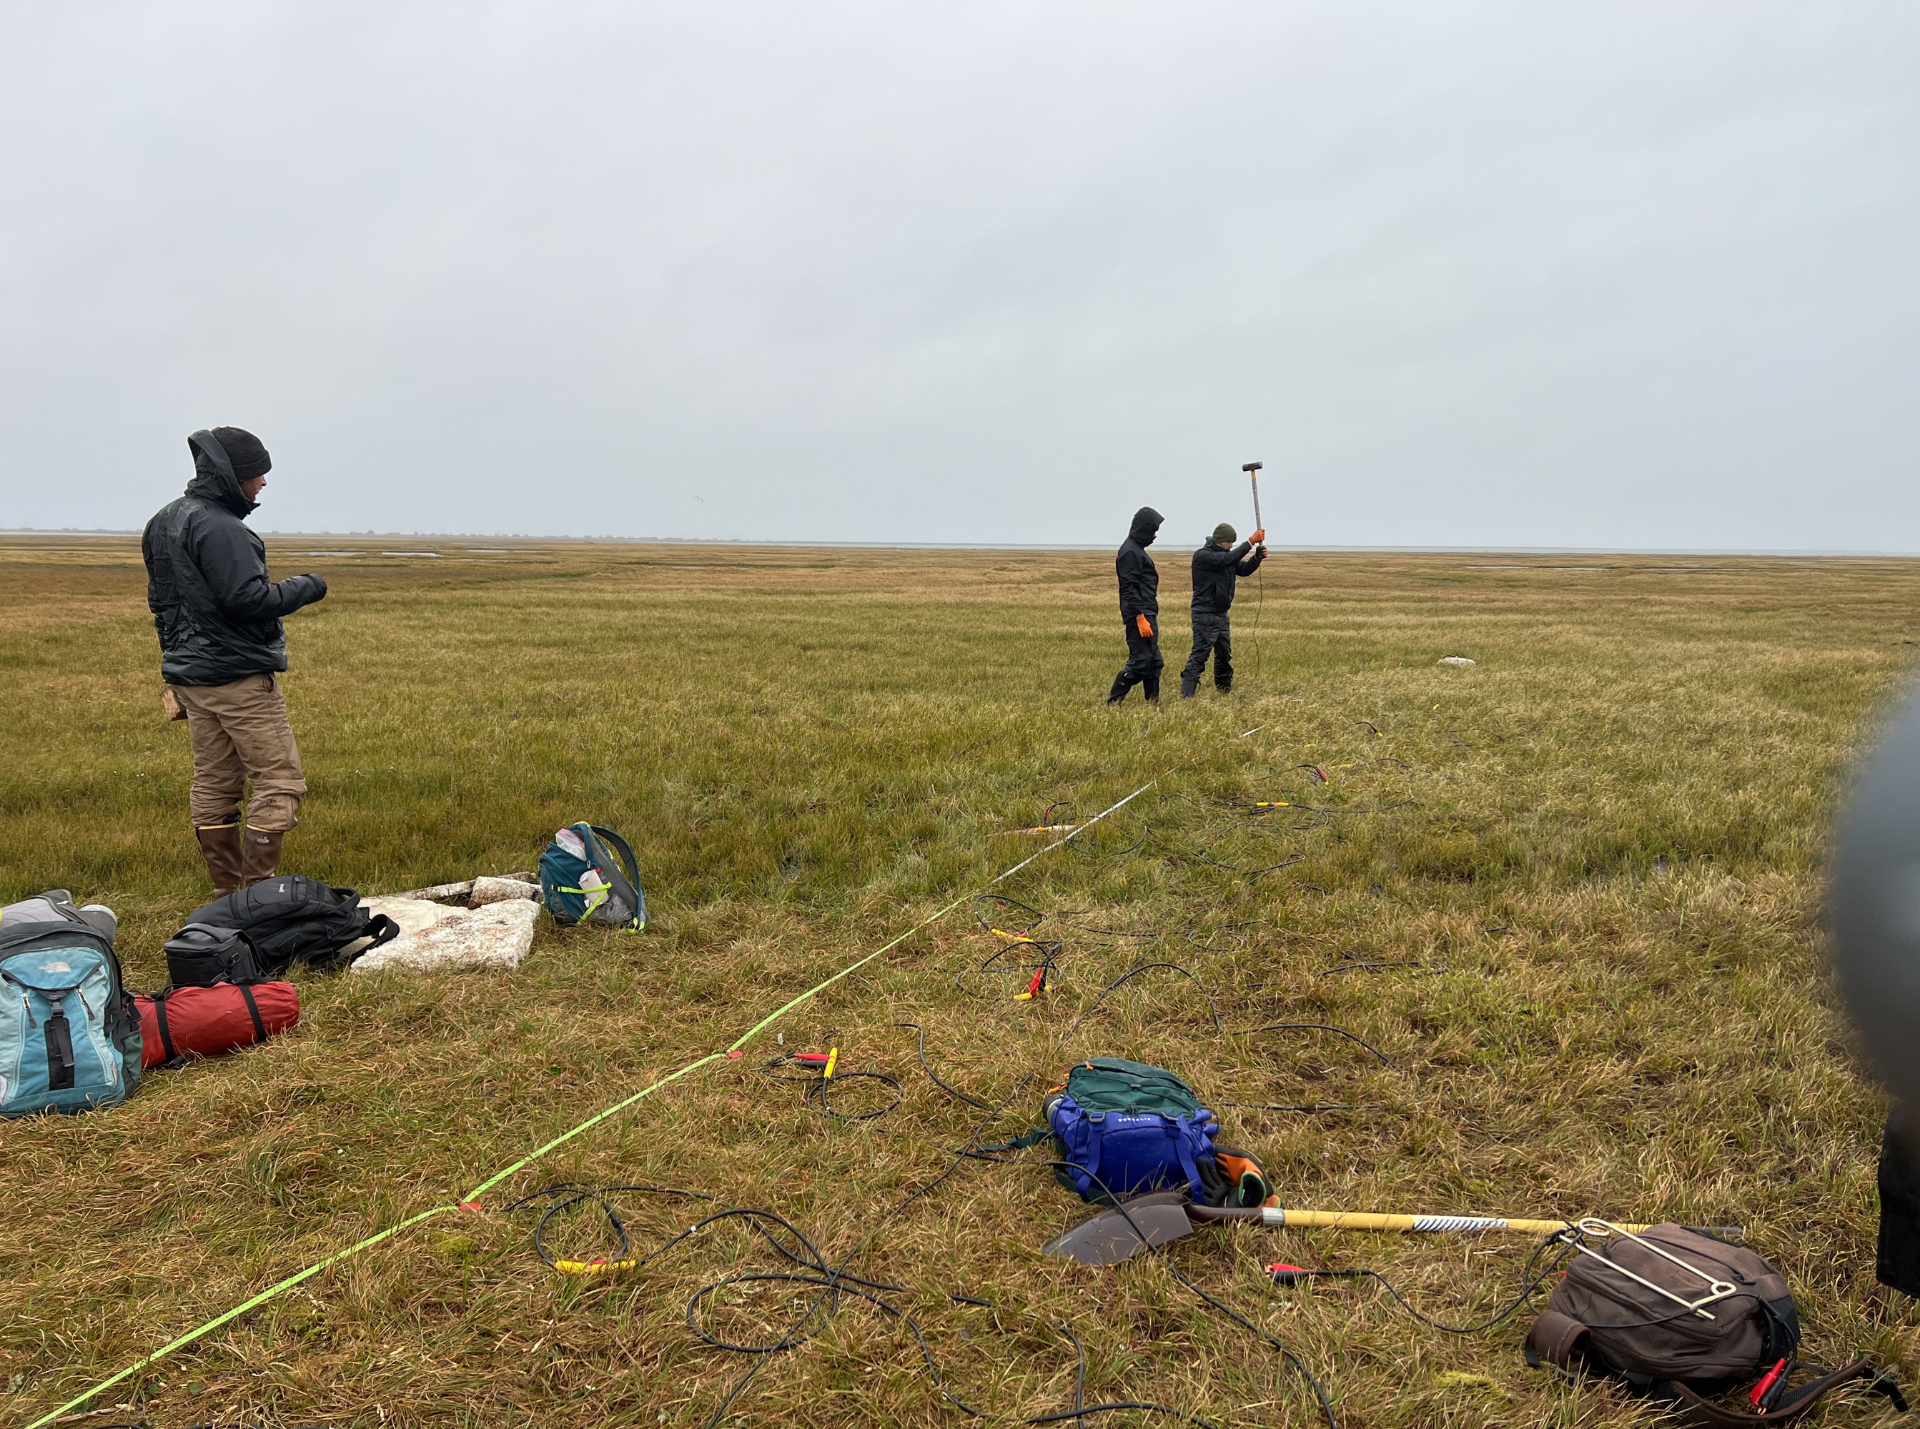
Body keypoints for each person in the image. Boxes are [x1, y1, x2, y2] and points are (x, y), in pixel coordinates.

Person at [143, 428, 328, 896]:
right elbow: (246, 600)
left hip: (192, 678)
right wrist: (309, 586)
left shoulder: (163, 521)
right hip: (239, 679)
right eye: (257, 473)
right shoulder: (222, 527)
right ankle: (255, 896)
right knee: (279, 779)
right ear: (235, 475)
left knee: (215, 781)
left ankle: (227, 896)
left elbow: (162, 605)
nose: (263, 482)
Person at [1179, 522, 1266, 698]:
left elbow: (1243, 569)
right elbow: (1226, 560)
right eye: (1229, 542)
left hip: (1221, 615)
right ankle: (1186, 695)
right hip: (1204, 614)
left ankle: (1224, 690)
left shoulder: (1227, 556)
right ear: (1220, 541)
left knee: (1224, 656)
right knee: (1200, 655)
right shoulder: (1203, 556)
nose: (1232, 546)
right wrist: (1250, 542)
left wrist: (1256, 559)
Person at [1106, 506, 1165, 706]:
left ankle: (1152, 704)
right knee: (1140, 662)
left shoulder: (1136, 550)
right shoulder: (1130, 552)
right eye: (1152, 531)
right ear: (1142, 529)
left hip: (1147, 613)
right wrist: (1140, 617)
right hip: (1140, 616)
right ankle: (1112, 703)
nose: (1154, 536)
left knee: (1154, 662)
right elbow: (1128, 588)